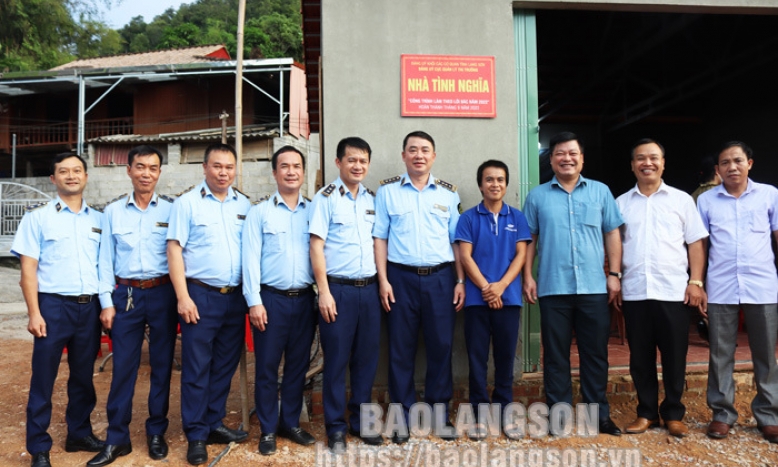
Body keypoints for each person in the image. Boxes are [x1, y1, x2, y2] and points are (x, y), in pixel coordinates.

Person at [522, 131, 624, 436]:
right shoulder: (538, 196)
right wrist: (528, 275)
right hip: (553, 288)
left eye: (572, 153)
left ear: (582, 158)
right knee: (555, 355)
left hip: (594, 287)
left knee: (595, 355)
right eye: (559, 154)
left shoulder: (601, 192)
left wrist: (614, 274)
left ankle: (598, 416)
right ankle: (559, 416)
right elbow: (529, 239)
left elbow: (612, 234)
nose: (566, 158)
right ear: (551, 159)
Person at [12, 153, 106, 467]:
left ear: (86, 176)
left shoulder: (99, 220)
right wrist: (34, 313)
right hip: (52, 307)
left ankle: (78, 433)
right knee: (44, 378)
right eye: (63, 171)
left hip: (88, 308)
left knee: (83, 377)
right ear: (53, 179)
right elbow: (28, 270)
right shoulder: (38, 218)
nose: (71, 176)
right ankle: (39, 447)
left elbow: (104, 267)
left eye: (77, 170)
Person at [86, 146, 177, 466]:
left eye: (153, 168)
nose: (146, 174)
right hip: (126, 296)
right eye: (140, 167)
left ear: (159, 173)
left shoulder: (171, 210)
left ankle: (156, 432)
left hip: (164, 292)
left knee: (162, 366)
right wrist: (106, 303)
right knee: (124, 367)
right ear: (129, 170)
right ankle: (117, 438)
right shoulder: (112, 212)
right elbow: (105, 261)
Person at [373, 130, 465, 443]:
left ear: (433, 156)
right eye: (412, 150)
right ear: (403, 155)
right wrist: (383, 280)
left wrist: (461, 280)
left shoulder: (448, 195)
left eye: (425, 150)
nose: (419, 155)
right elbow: (380, 238)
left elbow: (457, 242)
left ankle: (439, 415)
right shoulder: (387, 193)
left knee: (441, 346)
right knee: (400, 348)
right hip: (400, 278)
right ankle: (401, 419)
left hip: (441, 278)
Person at [615, 139, 708, 438]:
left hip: (673, 292)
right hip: (636, 291)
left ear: (663, 163)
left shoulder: (681, 200)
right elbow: (614, 245)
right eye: (640, 158)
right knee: (640, 358)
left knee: (674, 356)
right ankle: (646, 413)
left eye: (653, 158)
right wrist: (614, 276)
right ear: (632, 165)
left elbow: (695, 242)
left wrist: (696, 281)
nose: (647, 163)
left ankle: (673, 414)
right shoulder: (621, 203)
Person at [167, 143, 251, 465]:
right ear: (204, 168)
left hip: (234, 298)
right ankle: (197, 434)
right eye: (217, 166)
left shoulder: (243, 205)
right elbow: (174, 250)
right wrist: (183, 297)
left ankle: (214, 422)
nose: (223, 172)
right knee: (197, 368)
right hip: (199, 296)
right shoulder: (187, 204)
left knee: (224, 366)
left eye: (229, 167)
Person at [697, 141, 778, 443]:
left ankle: (769, 416)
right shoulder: (706, 202)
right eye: (725, 162)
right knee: (720, 355)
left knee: (766, 355)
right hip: (721, 286)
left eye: (737, 161)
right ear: (717, 169)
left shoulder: (770, 195)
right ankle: (722, 414)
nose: (732, 167)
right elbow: (701, 246)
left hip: (763, 286)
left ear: (749, 164)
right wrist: (699, 283)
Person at [309, 137, 383, 452]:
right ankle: (336, 428)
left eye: (363, 160)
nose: (358, 166)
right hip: (337, 290)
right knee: (337, 362)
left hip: (369, 290)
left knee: (366, 361)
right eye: (351, 160)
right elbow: (315, 246)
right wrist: (323, 292)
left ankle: (361, 423)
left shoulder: (373, 199)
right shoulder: (325, 198)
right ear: (338, 162)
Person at [242, 146, 317, 456]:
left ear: (303, 172)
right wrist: (254, 302)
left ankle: (290, 422)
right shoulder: (259, 212)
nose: (290, 171)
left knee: (298, 366)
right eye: (284, 166)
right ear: (274, 172)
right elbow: (249, 261)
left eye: (296, 166)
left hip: (303, 301)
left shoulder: (314, 210)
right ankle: (268, 429)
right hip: (270, 301)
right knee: (267, 368)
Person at [455, 159, 531, 439]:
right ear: (480, 185)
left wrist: (500, 287)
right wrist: (487, 288)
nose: (495, 184)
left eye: (500, 179)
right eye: (489, 179)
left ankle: (505, 414)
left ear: (506, 184)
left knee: (505, 359)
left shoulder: (517, 217)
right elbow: (465, 255)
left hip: (509, 299)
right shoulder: (469, 218)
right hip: (477, 300)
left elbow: (521, 255)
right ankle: (478, 416)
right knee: (477, 360)